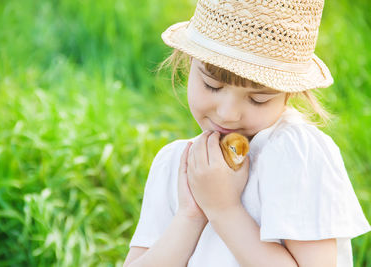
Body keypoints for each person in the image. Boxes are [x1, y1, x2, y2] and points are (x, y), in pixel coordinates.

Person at [123, 0, 371, 266]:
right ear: (188, 63)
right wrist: (190, 216)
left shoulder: (294, 153)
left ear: (289, 94)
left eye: (258, 99)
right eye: (211, 85)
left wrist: (224, 210)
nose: (228, 113)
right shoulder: (174, 163)